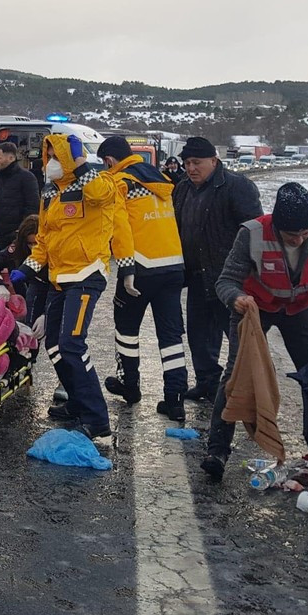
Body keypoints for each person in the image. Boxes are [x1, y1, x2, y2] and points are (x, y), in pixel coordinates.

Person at [201, 183, 308, 481]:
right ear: (277, 225)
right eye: (290, 235)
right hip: (254, 307)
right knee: (235, 374)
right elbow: (226, 281)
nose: (298, 240)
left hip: (301, 310)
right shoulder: (252, 234)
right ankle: (217, 449)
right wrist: (236, 299)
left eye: (304, 234)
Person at [11, 133, 133, 441]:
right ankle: (78, 402)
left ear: (69, 157)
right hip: (59, 278)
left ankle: (96, 418)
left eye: (56, 156)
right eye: (48, 156)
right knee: (53, 344)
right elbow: (45, 238)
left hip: (86, 275)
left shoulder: (100, 182)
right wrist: (26, 269)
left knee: (72, 344)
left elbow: (102, 197)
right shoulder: (51, 192)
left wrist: (79, 164)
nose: (50, 162)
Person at [97, 136, 188, 422]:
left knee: (126, 330)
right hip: (173, 266)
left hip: (140, 267)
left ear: (110, 160)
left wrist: (126, 270)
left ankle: (130, 385)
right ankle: (175, 400)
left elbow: (121, 228)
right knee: (171, 337)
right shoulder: (160, 179)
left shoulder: (120, 183)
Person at [172, 137, 262, 403]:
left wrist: (251, 275)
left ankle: (247, 392)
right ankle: (207, 383)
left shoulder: (237, 187)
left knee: (237, 340)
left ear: (214, 160)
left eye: (196, 162)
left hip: (231, 280)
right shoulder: (182, 189)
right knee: (199, 336)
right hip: (197, 275)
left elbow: (255, 232)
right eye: (187, 163)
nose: (190, 168)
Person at [0, 141, 40, 249]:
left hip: (18, 234)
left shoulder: (26, 177)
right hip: (1, 231)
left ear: (11, 158)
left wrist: (23, 230)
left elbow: (33, 206)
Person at [0, 213, 43, 324]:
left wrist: (46, 314)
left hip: (44, 295)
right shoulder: (17, 249)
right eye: (30, 244)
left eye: (37, 244)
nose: (33, 248)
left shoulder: (51, 252)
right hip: (21, 301)